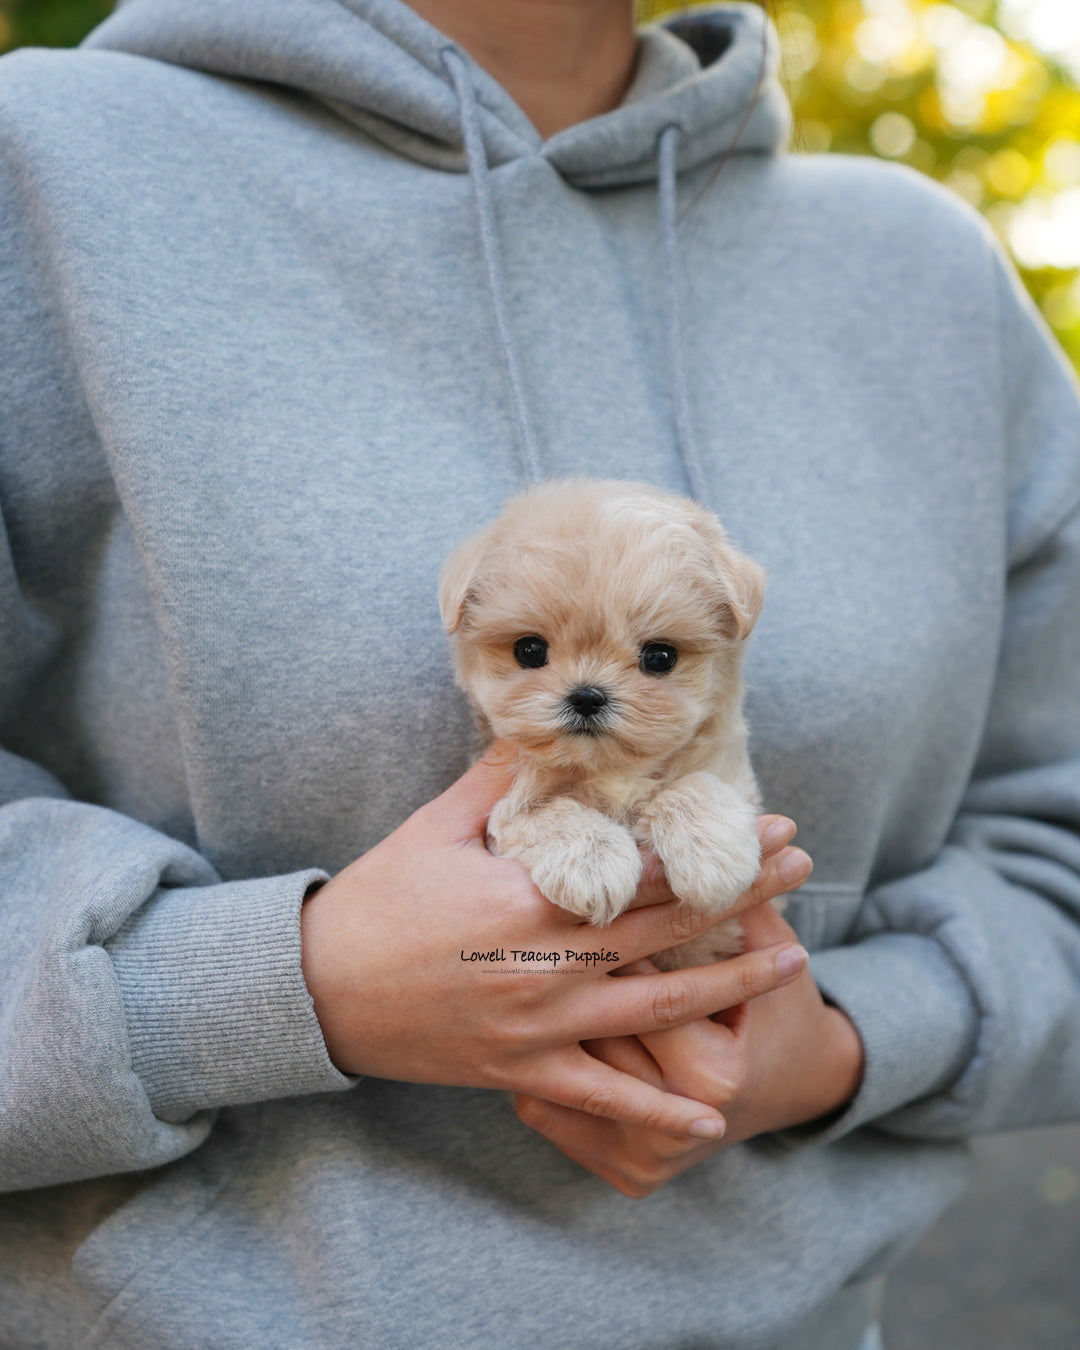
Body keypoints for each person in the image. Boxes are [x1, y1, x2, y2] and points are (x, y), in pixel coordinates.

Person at [0, 1, 1078, 1346]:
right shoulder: (42, 166)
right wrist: (284, 985)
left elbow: (1062, 828)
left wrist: (860, 1033)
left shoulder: (925, 273)